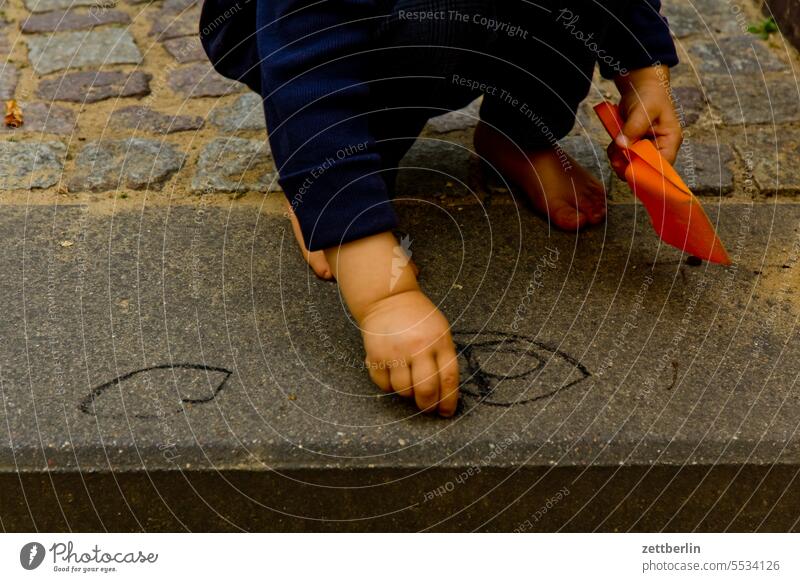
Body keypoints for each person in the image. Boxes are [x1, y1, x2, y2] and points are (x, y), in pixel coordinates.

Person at [200, 0, 682, 417]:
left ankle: (520, 132)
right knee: (372, 78)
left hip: (478, 22)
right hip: (334, 42)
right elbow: (311, 80)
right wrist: (382, 294)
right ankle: (331, 186)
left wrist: (642, 69)